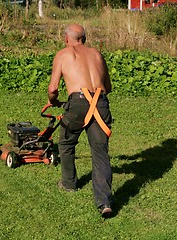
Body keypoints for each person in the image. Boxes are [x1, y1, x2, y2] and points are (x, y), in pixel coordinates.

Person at [47, 24, 113, 218]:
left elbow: (53, 89)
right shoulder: (97, 54)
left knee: (66, 142)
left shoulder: (64, 54)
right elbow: (108, 87)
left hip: (77, 103)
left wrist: (53, 101)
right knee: (100, 152)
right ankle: (104, 202)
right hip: (100, 103)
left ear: (66, 39)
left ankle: (68, 183)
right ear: (84, 37)